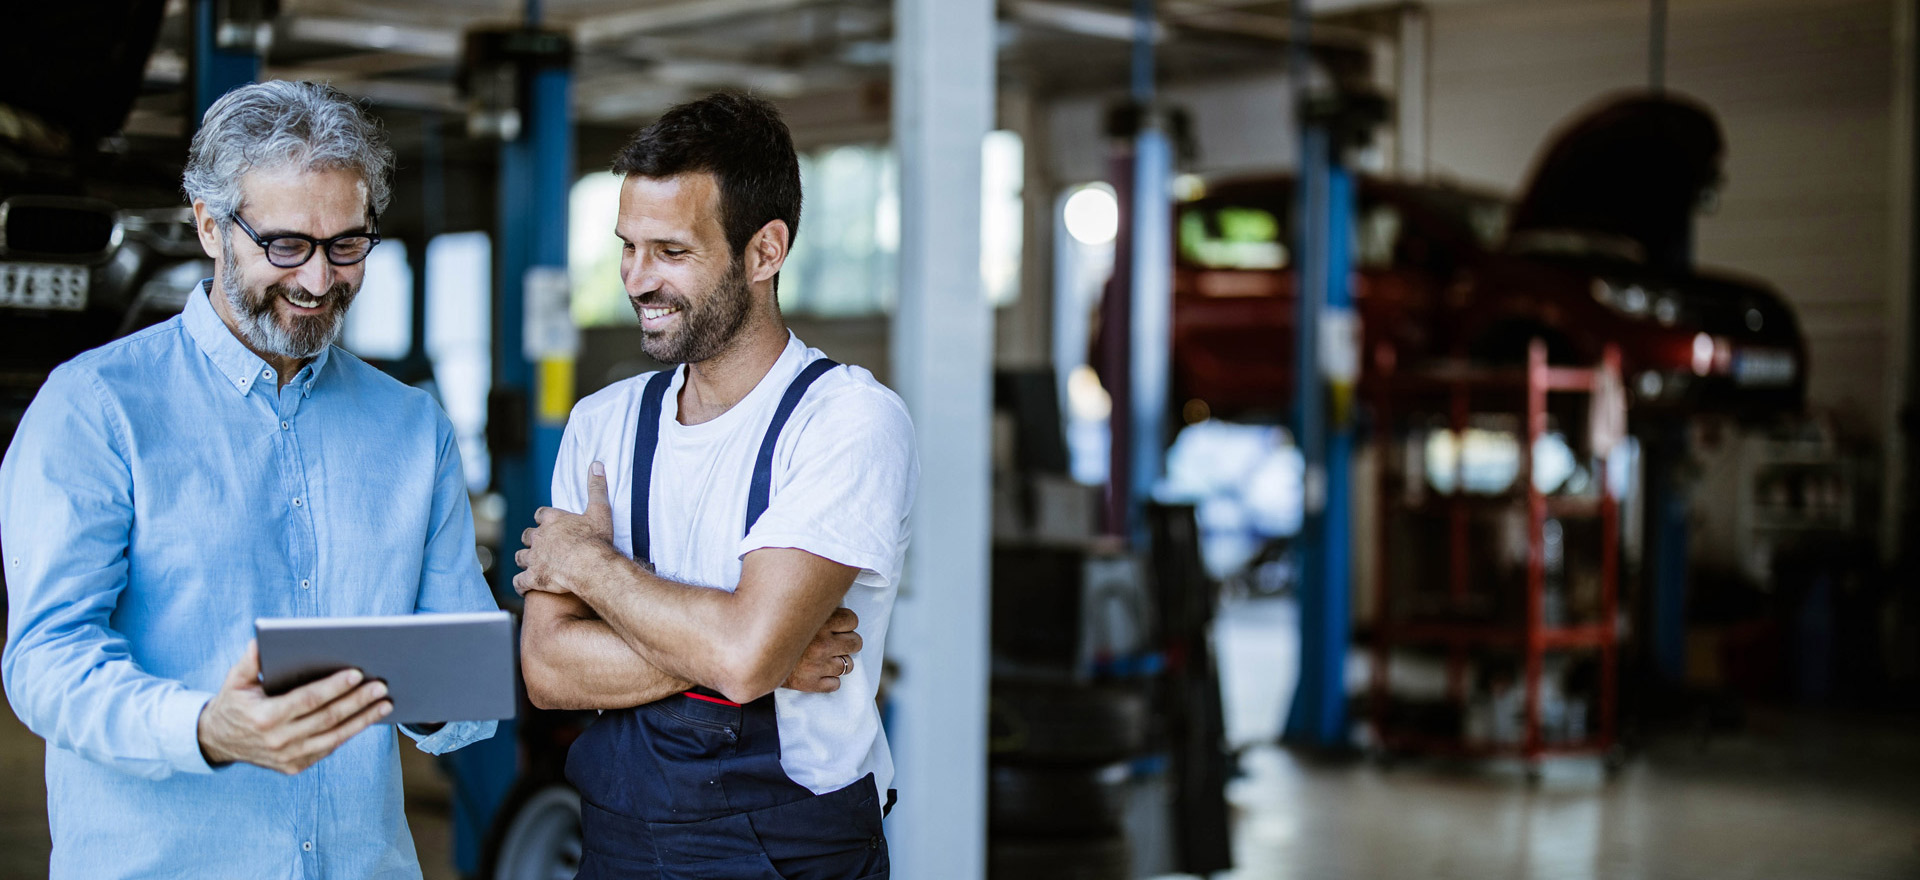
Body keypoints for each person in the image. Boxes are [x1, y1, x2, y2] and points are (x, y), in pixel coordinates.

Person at [515, 91, 918, 879]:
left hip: (789, 852)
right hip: (620, 842)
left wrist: (592, 570)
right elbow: (550, 670)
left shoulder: (846, 420)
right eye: (627, 246)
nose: (636, 279)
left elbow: (743, 655)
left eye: (670, 252)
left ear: (765, 251)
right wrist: (755, 649)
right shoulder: (603, 424)